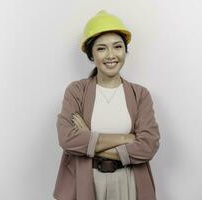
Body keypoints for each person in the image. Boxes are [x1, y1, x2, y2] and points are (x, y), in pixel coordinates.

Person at [53, 10, 160, 200]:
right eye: (102, 48)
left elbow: (148, 146)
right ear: (91, 55)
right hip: (87, 181)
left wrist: (89, 140)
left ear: (125, 51)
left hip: (129, 182)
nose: (111, 55)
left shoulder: (140, 94)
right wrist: (127, 138)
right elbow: (67, 139)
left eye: (117, 47)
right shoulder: (76, 91)